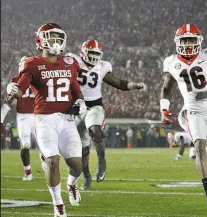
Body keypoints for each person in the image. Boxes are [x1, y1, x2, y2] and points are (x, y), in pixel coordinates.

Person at [40, 39, 147, 190]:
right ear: (83, 52)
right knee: (81, 149)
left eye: (97, 54)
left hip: (94, 105)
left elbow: (117, 83)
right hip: (75, 108)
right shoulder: (73, 60)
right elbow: (56, 65)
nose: (94, 57)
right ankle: (87, 177)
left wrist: (133, 86)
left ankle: (102, 160)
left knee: (95, 130)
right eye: (91, 53)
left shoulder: (103, 66)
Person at [6, 23, 88, 217]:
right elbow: (20, 88)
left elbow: (76, 89)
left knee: (77, 165)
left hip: (67, 120)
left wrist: (81, 102)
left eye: (59, 38)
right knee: (53, 161)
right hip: (44, 119)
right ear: (40, 40)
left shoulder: (70, 63)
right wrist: (13, 91)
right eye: (51, 37)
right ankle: (57, 202)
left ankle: (71, 184)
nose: (56, 41)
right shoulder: (32, 63)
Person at [160, 23, 207, 211]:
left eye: (191, 40)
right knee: (199, 145)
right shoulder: (172, 61)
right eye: (185, 40)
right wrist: (164, 109)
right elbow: (166, 88)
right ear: (178, 42)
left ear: (199, 41)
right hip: (193, 111)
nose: (188, 44)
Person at [3, 70, 38, 181]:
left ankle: (47, 167)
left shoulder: (39, 76)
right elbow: (10, 100)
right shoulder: (15, 80)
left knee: (44, 143)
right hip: (23, 116)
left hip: (39, 114)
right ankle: (28, 171)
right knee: (25, 144)